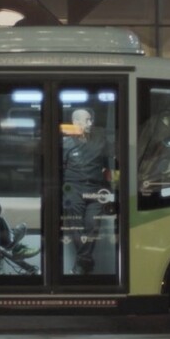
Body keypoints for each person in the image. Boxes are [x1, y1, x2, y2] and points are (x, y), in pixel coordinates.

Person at [61, 108, 114, 275]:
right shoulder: (66, 143)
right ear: (76, 123)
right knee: (75, 223)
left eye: (91, 120)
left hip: (95, 189)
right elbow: (60, 168)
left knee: (92, 225)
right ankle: (85, 262)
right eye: (87, 120)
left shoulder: (100, 141)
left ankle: (82, 263)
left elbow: (109, 164)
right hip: (74, 187)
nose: (91, 123)